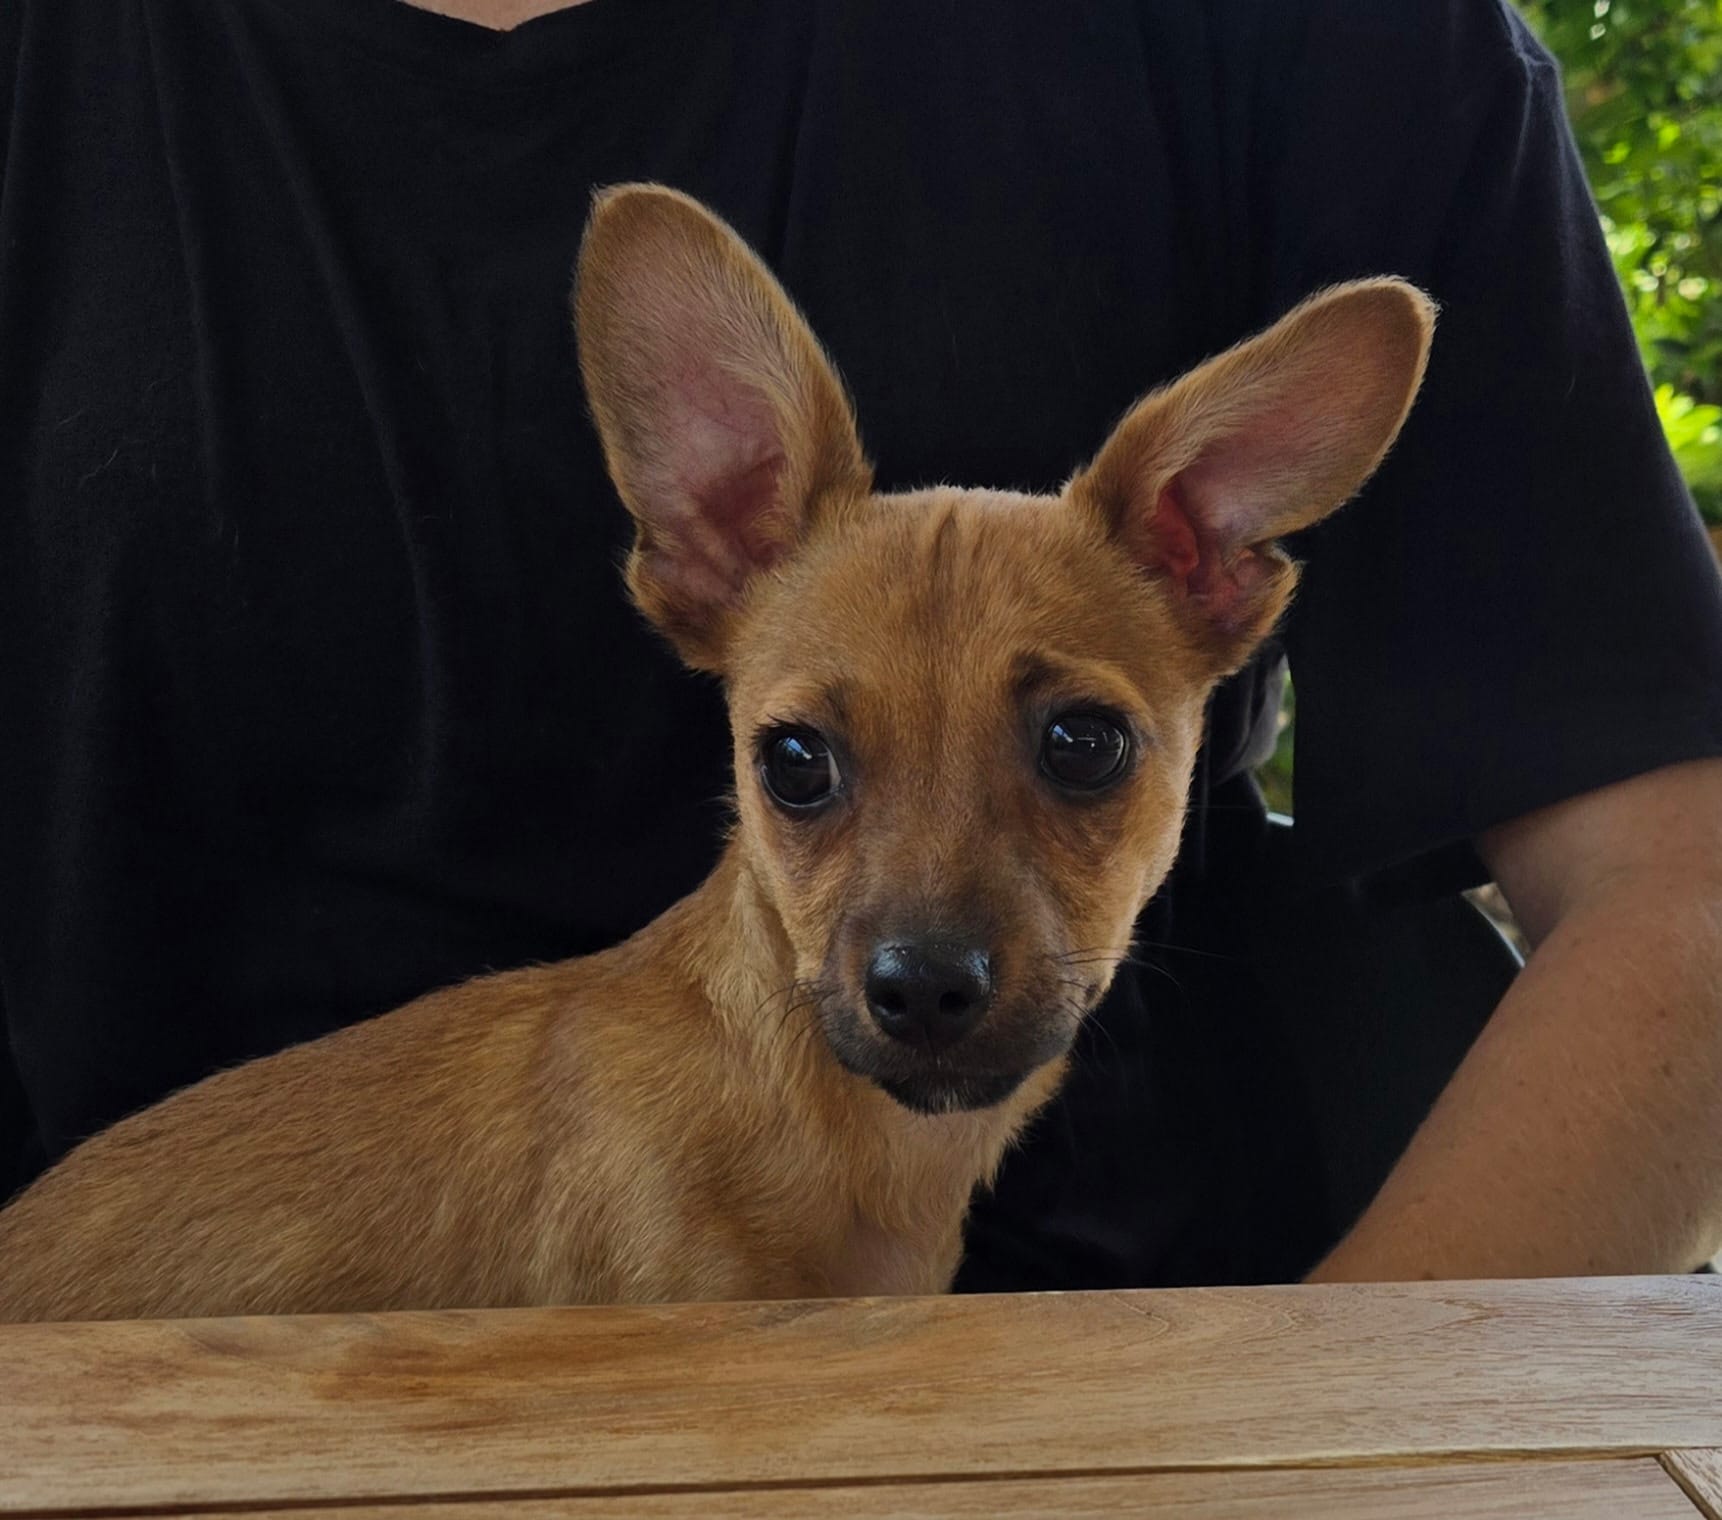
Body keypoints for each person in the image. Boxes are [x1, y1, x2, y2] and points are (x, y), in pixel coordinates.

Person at [2, 0, 1719, 1291]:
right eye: (807, 771)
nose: (923, 939)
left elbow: (1680, 887)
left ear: (1220, 576)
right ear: (702, 555)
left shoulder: (1307, 46)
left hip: (1187, 1371)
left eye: (1075, 751)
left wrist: (1330, 1456)